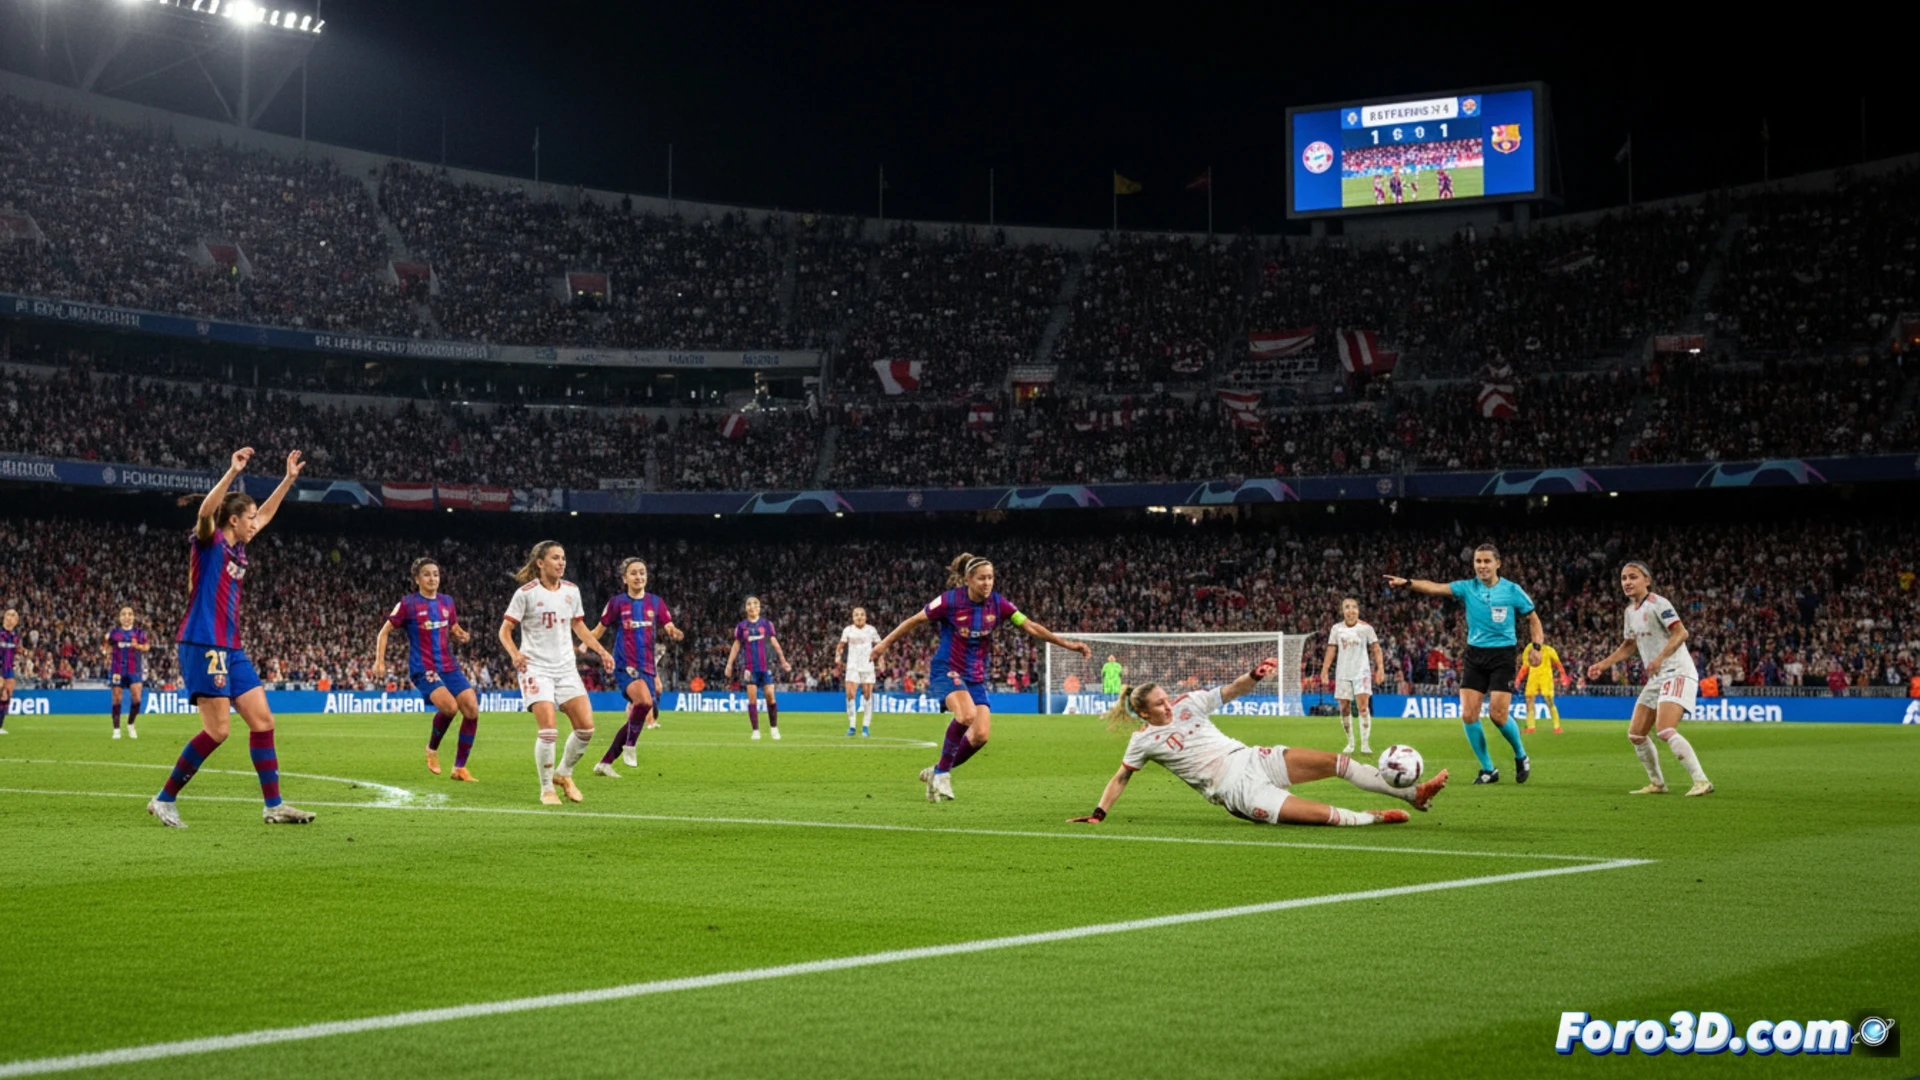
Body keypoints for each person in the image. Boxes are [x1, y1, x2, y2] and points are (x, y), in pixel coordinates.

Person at [147, 447, 316, 828]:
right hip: (202, 642)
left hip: (230, 646)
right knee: (218, 730)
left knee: (263, 721)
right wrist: (231, 472)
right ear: (234, 519)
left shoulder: (239, 547)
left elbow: (267, 514)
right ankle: (164, 799)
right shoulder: (209, 542)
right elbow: (206, 512)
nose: (256, 523)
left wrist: (287, 481)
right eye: (250, 518)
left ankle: (274, 805)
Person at [1071, 658, 1448, 827]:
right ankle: (1373, 817)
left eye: (1166, 698)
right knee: (1326, 817)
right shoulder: (1142, 741)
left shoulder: (1188, 703)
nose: (1168, 705)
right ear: (1144, 712)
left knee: (1338, 763)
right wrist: (1099, 813)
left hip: (1251, 758)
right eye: (1159, 704)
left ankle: (1412, 794)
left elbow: (1230, 691)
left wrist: (1254, 675)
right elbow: (1121, 777)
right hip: (1236, 790)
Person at [872, 552, 1091, 802]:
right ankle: (943, 774)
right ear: (968, 579)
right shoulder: (949, 600)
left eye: (990, 578)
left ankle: (937, 770)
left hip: (974, 675)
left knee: (980, 735)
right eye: (981, 578)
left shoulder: (998, 604)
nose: (987, 583)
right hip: (947, 668)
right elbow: (914, 620)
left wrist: (1067, 644)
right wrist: (883, 645)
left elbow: (1029, 625)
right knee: (966, 715)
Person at [1385, 543, 1540, 784]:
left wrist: (1536, 647)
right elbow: (1435, 588)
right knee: (1468, 714)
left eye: (1487, 561)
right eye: (1478, 561)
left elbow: (1533, 619)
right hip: (1475, 655)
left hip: (1503, 656)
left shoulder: (1512, 590)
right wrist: (1408, 583)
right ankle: (1488, 769)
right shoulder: (1467, 587)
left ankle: (1521, 755)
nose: (1482, 566)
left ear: (1498, 563)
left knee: (1498, 715)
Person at [499, 541, 616, 805]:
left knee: (586, 729)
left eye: (563, 557)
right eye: (555, 557)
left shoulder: (572, 591)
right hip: (536, 668)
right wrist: (515, 654)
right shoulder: (525, 594)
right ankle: (546, 788)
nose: (561, 562)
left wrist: (602, 651)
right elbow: (504, 630)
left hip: (565, 667)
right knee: (548, 731)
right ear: (540, 563)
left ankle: (563, 773)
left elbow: (579, 626)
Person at [1586, 561, 1714, 796]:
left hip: (1677, 671)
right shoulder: (1629, 612)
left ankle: (1701, 781)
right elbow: (1629, 645)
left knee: (1664, 729)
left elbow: (1681, 632)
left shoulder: (1659, 603)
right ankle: (1657, 784)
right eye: (1624, 578)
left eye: (1633, 577)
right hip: (1657, 677)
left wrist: (1659, 658)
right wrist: (1603, 664)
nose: (1627, 582)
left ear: (1647, 580)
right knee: (1636, 734)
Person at [372, 557, 481, 782]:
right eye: (427, 574)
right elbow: (383, 632)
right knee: (450, 708)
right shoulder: (408, 604)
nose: (432, 578)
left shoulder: (447, 602)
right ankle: (432, 749)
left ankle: (459, 768)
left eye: (436, 574)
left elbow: (453, 627)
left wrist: (460, 634)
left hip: (448, 665)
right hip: (424, 667)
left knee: (471, 709)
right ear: (417, 579)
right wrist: (379, 662)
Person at [587, 557, 682, 777]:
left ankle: (605, 762)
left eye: (642, 572)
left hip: (647, 667)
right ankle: (630, 744)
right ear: (625, 578)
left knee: (641, 710)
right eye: (633, 573)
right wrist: (582, 645)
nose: (638, 576)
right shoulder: (617, 603)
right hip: (625, 664)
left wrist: (674, 632)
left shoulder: (656, 603)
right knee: (644, 702)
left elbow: (669, 625)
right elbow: (598, 631)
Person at [1319, 598, 1383, 755]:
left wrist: (1380, 668)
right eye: (1347, 607)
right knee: (1344, 708)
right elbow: (1331, 649)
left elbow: (1376, 648)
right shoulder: (1337, 629)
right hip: (1343, 672)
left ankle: (1365, 744)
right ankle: (1350, 743)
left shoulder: (1366, 628)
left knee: (1363, 707)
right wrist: (1325, 670)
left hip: (1362, 672)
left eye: (1354, 607)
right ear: (1342, 611)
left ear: (1358, 611)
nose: (1351, 610)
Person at [724, 596, 790, 740]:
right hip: (750, 668)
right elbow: (736, 645)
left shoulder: (767, 624)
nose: (752, 606)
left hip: (765, 667)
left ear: (759, 608)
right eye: (749, 604)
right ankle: (755, 730)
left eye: (755, 604)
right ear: (745, 608)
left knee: (770, 696)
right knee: (752, 699)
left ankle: (774, 728)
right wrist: (729, 664)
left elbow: (775, 643)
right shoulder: (741, 626)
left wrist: (783, 661)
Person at [102, 606, 151, 740]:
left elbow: (147, 647)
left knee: (137, 699)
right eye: (123, 614)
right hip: (117, 670)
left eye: (129, 614)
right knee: (117, 699)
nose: (126, 617)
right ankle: (116, 729)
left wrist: (137, 646)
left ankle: (130, 724)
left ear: (133, 617)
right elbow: (105, 646)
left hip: (134, 669)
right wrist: (105, 651)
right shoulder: (114, 633)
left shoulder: (139, 633)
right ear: (120, 618)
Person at [835, 607, 881, 737]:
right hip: (852, 666)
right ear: (853, 617)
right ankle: (852, 726)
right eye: (856, 615)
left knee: (867, 695)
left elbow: (880, 645)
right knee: (850, 695)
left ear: (865, 617)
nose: (859, 617)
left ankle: (865, 727)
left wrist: (881, 659)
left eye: (862, 615)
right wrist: (838, 656)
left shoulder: (871, 630)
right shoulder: (848, 630)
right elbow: (840, 646)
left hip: (867, 666)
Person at [1515, 638, 1569, 735]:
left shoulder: (1549, 650)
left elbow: (1558, 663)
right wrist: (1518, 678)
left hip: (1546, 679)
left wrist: (1563, 675)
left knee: (1550, 702)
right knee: (1529, 701)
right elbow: (1525, 666)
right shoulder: (1529, 649)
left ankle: (1557, 727)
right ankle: (1531, 727)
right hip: (1533, 678)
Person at [0, 608, 18, 735]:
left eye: (13, 615)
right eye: (8, 615)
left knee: (6, 697)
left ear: (16, 621)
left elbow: (14, 653)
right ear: (4, 618)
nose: (10, 617)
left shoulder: (15, 637)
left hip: (9, 670)